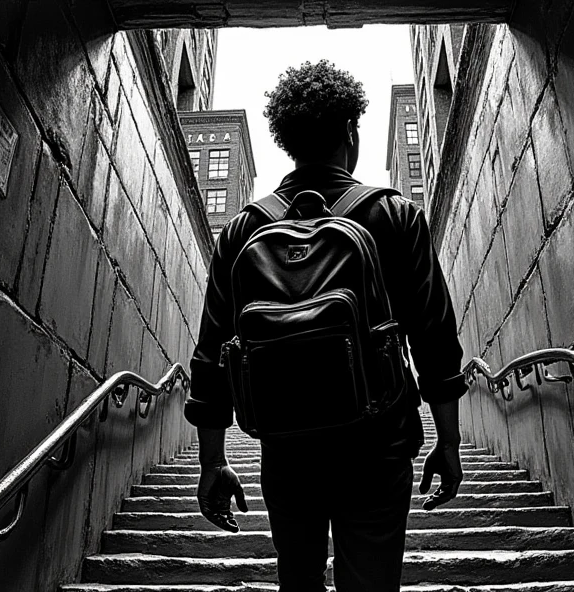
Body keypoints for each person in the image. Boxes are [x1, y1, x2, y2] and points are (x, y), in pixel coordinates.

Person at [184, 60, 467, 591]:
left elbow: (211, 355)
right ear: (351, 136)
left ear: (287, 144)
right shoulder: (395, 215)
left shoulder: (244, 229)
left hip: (288, 447)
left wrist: (213, 461)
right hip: (379, 445)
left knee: (300, 580)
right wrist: (447, 443)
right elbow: (435, 340)